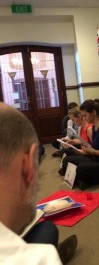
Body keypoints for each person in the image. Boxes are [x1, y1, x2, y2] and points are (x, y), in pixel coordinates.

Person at [0, 102, 77, 264]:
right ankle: (58, 251)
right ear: (27, 165)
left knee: (47, 228)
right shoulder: (41, 259)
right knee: (47, 229)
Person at [59, 99, 99, 190]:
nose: (84, 118)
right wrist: (86, 150)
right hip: (98, 160)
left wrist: (92, 152)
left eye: (85, 115)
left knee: (81, 168)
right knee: (68, 159)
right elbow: (94, 147)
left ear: (93, 112)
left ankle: (84, 179)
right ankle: (84, 180)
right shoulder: (93, 127)